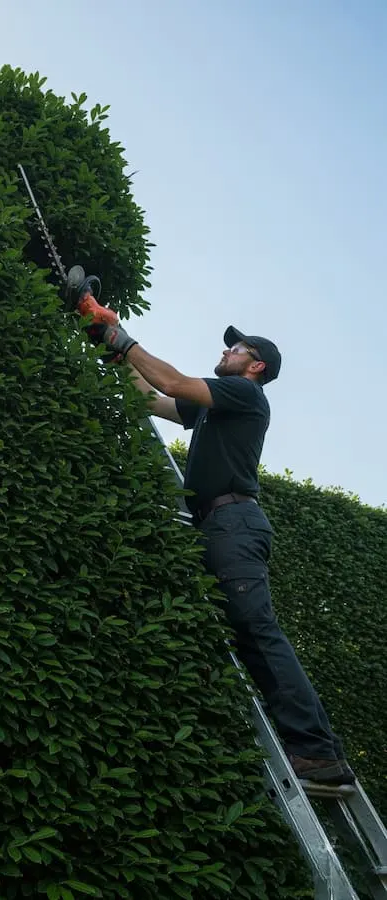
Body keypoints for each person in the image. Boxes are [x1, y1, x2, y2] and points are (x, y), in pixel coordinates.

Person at [91, 316, 354, 785]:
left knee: (258, 629)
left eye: (237, 350)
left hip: (233, 523)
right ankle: (313, 751)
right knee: (250, 637)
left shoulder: (245, 394)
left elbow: (170, 380)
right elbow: (152, 397)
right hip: (219, 524)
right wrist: (115, 352)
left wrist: (120, 335)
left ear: (256, 366)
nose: (227, 352)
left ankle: (317, 748)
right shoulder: (217, 408)